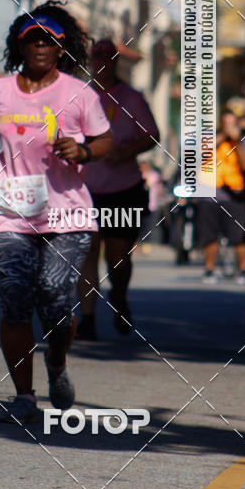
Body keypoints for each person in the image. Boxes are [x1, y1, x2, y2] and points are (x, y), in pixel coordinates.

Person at [0, 3, 112, 424]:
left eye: (49, 40)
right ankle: (24, 396)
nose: (41, 46)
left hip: (67, 214)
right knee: (14, 302)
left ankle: (57, 360)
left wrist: (83, 150)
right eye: (32, 39)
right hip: (11, 213)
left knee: (54, 296)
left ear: (61, 48)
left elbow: (104, 140)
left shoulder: (79, 93)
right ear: (20, 46)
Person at [76, 39, 159, 340]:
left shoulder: (131, 98)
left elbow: (152, 134)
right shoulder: (79, 95)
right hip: (85, 190)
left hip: (123, 189)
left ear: (115, 62)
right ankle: (87, 319)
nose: (102, 63)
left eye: (108, 58)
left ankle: (119, 295)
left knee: (118, 258)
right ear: (90, 61)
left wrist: (126, 151)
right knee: (86, 254)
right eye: (97, 58)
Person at [197, 108, 245, 284]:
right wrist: (221, 137)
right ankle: (209, 269)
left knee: (239, 236)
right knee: (209, 236)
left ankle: (243, 270)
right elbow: (199, 156)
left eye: (231, 123)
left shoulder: (244, 140)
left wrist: (237, 142)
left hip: (235, 195)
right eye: (225, 123)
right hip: (209, 193)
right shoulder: (209, 137)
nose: (228, 127)